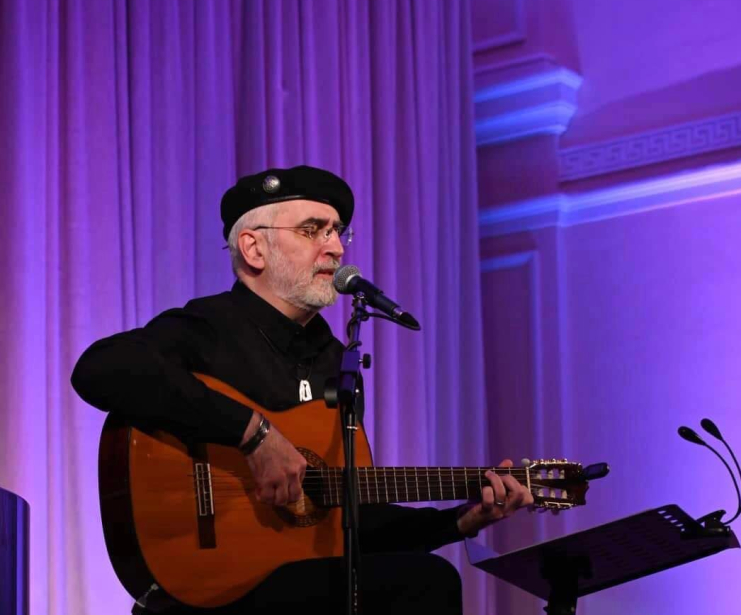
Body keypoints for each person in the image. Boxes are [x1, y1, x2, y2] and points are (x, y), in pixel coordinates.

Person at [71, 165, 532, 615]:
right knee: (427, 582)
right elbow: (100, 368)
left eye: (337, 232)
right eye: (313, 230)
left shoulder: (334, 357)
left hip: (295, 582)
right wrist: (252, 434)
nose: (336, 248)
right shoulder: (209, 327)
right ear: (254, 248)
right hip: (215, 586)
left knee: (417, 577)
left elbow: (350, 521)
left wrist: (458, 521)